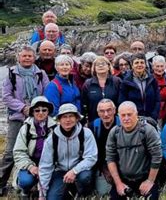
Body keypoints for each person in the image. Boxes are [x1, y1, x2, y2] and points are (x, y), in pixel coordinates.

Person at [0, 46, 50, 196]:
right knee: (10, 152)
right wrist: (23, 108)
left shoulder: (41, 74)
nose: (27, 58)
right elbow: (6, 96)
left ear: (34, 57)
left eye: (30, 56)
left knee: (39, 148)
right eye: (24, 56)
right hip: (17, 118)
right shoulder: (11, 74)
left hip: (38, 117)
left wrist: (37, 109)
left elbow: (46, 93)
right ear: (18, 57)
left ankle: (35, 180)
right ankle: (1, 182)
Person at [39, 104, 98, 199]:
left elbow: (91, 157)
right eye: (64, 117)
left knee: (85, 177)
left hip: (80, 170)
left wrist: (74, 171)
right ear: (59, 120)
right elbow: (45, 166)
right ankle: (67, 190)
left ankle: (82, 192)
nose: (68, 120)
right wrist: (42, 194)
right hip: (60, 171)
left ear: (77, 118)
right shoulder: (52, 139)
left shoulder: (86, 133)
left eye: (71, 116)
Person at [106, 101, 162, 199]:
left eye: (129, 114)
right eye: (123, 115)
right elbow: (110, 159)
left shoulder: (147, 130)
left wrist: (150, 181)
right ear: (118, 116)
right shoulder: (114, 132)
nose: (126, 118)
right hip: (124, 179)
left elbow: (157, 156)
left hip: (145, 177)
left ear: (136, 114)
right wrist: (118, 183)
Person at [12, 96, 56, 197]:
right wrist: (30, 166)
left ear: (48, 111)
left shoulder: (56, 128)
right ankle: (25, 191)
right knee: (26, 181)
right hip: (30, 163)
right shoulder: (25, 129)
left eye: (44, 110)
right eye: (37, 110)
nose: (41, 113)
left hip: (51, 164)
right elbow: (18, 152)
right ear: (32, 112)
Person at [88, 99, 121, 197]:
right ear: (98, 113)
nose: (106, 114)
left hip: (121, 164)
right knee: (103, 193)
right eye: (102, 111)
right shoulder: (93, 126)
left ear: (115, 111)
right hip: (102, 165)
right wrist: (105, 170)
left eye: (109, 110)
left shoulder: (122, 124)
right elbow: (93, 152)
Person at [118, 53, 160, 120]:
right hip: (133, 119)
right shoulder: (126, 82)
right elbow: (122, 102)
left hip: (151, 118)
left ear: (145, 64)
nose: (139, 65)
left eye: (142, 62)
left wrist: (154, 115)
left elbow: (157, 100)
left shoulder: (152, 79)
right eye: (136, 63)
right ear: (132, 65)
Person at [82, 56, 121, 122]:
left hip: (115, 121)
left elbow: (121, 102)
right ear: (94, 68)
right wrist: (85, 121)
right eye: (97, 64)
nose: (100, 66)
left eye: (103, 64)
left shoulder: (117, 81)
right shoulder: (88, 84)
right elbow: (84, 104)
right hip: (94, 121)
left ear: (108, 66)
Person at [152, 55, 166, 125]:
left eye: (161, 66)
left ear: (165, 67)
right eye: (157, 66)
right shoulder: (149, 79)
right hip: (153, 112)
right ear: (153, 67)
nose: (159, 69)